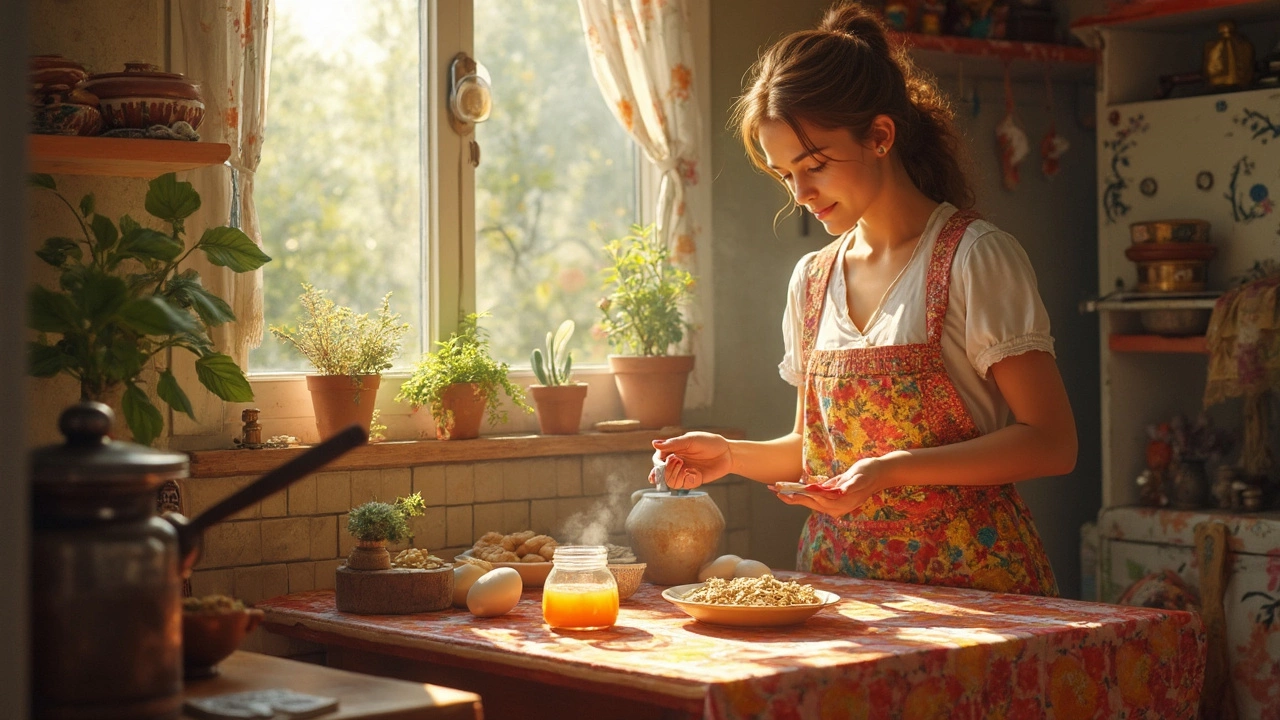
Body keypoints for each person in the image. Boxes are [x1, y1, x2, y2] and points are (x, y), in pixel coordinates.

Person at [650, 2, 1075, 596]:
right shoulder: (812, 278)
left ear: (880, 135)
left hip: (974, 585)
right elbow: (814, 447)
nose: (800, 193)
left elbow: (1052, 442)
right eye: (783, 175)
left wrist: (892, 471)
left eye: (815, 164)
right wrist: (729, 455)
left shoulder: (973, 258)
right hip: (843, 586)